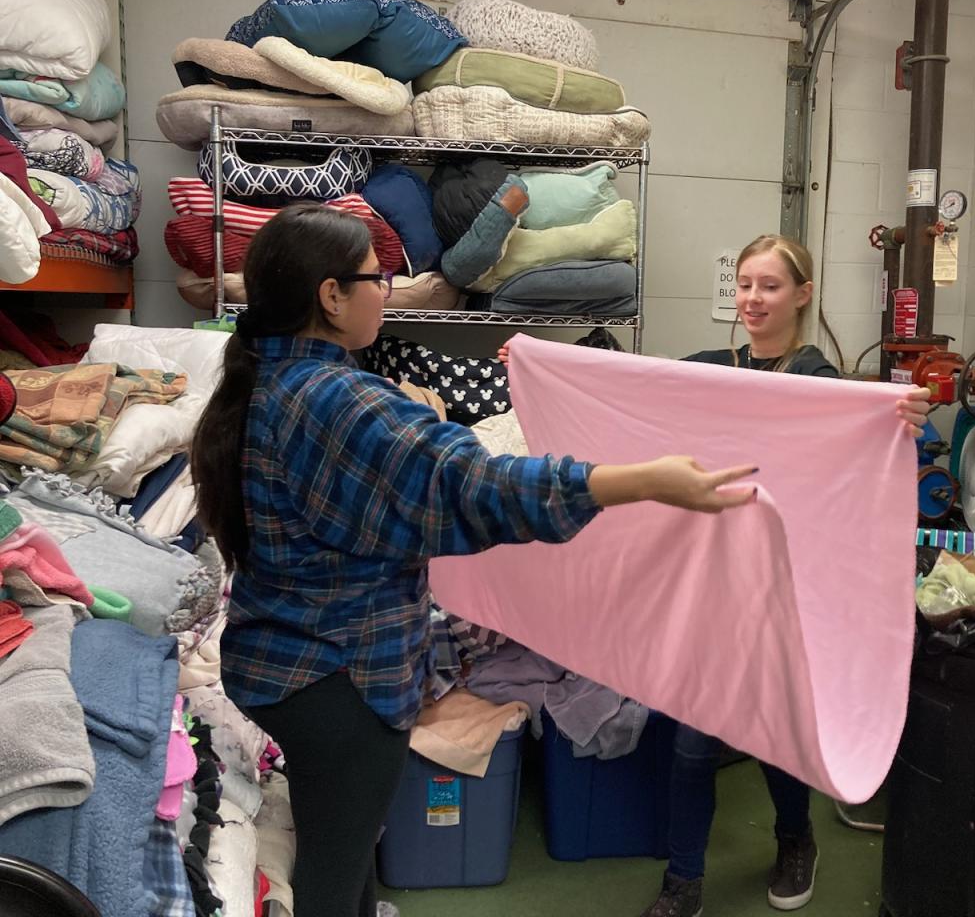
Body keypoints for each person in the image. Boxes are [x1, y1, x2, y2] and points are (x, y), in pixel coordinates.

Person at [189, 204, 759, 917]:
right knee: (334, 876)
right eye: (376, 278)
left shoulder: (270, 380)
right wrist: (642, 480)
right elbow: (476, 486)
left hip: (283, 664)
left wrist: (419, 422)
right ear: (331, 296)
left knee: (343, 851)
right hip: (339, 678)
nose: (386, 292)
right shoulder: (341, 401)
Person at [501, 234, 931, 916]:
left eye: (771, 286)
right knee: (694, 740)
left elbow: (861, 439)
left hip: (781, 591)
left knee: (774, 732)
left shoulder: (818, 382)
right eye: (746, 285)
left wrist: (899, 414)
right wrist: (538, 364)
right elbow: (630, 395)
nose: (753, 299)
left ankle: (792, 840)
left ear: (803, 295)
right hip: (709, 589)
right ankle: (685, 880)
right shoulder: (710, 370)